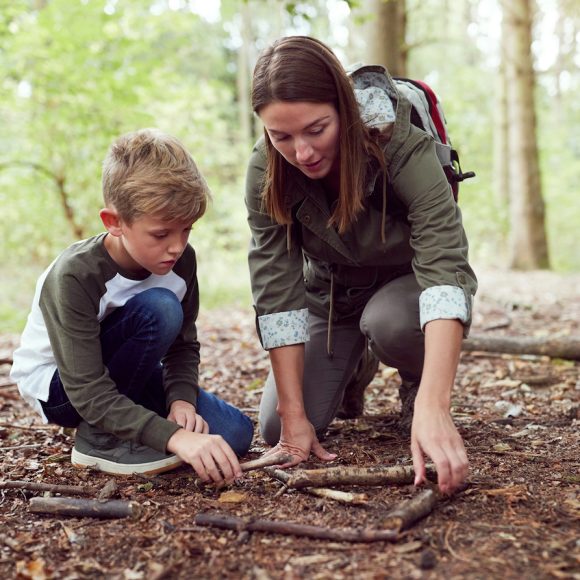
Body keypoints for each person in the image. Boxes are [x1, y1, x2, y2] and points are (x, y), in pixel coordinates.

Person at [245, 36, 477, 494]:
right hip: (332, 297)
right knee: (276, 429)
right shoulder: (265, 171)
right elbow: (276, 291)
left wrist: (436, 407)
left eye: (317, 129)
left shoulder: (402, 148)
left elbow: (445, 273)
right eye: (281, 136)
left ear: (344, 109)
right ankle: (355, 367)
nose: (303, 152)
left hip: (405, 289)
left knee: (389, 322)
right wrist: (294, 417)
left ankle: (416, 381)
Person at [11, 128, 253, 484]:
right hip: (65, 390)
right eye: (161, 234)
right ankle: (99, 438)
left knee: (234, 434)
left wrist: (181, 401)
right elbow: (87, 391)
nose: (176, 246)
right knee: (160, 308)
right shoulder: (75, 276)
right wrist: (174, 436)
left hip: (128, 375)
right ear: (115, 222)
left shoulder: (182, 261)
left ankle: (128, 424)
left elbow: (183, 347)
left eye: (186, 229)